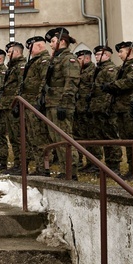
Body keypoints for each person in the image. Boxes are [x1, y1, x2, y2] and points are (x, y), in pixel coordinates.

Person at [102, 40, 133, 180]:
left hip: (130, 107)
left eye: (121, 51)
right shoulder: (123, 67)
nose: (119, 54)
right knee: (127, 140)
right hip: (121, 107)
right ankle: (132, 169)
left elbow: (131, 81)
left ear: (129, 51)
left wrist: (112, 85)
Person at [43, 27, 80, 180]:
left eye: (53, 41)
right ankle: (65, 169)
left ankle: (71, 170)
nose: (50, 44)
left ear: (62, 42)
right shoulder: (57, 58)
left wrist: (64, 103)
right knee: (56, 137)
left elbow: (71, 82)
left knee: (65, 137)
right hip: (52, 102)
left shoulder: (68, 59)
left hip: (61, 103)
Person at [86, 45, 122, 174]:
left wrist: (107, 106)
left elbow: (110, 90)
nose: (96, 57)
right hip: (97, 107)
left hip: (106, 108)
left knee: (110, 137)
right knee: (101, 137)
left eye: (99, 54)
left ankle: (115, 166)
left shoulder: (110, 69)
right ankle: (107, 165)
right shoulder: (98, 69)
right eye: (95, 55)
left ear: (108, 55)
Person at [19, 35, 51, 177]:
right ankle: (39, 166)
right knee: (32, 136)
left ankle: (44, 168)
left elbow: (44, 82)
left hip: (35, 104)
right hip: (29, 103)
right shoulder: (34, 61)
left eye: (30, 47)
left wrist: (39, 101)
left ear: (39, 46)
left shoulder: (44, 61)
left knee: (40, 137)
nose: (29, 51)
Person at [0, 41, 26, 174]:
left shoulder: (20, 67)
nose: (8, 55)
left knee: (19, 137)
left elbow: (21, 86)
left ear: (16, 52)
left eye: (9, 52)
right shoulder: (11, 67)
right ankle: (17, 163)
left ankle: (22, 164)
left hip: (15, 106)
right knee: (13, 137)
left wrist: (17, 105)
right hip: (8, 106)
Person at [74, 49, 95, 169]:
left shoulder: (93, 71)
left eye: (80, 59)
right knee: (80, 136)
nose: (78, 61)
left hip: (88, 107)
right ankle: (82, 161)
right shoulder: (79, 71)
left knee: (91, 136)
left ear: (87, 59)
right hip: (79, 107)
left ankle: (93, 162)